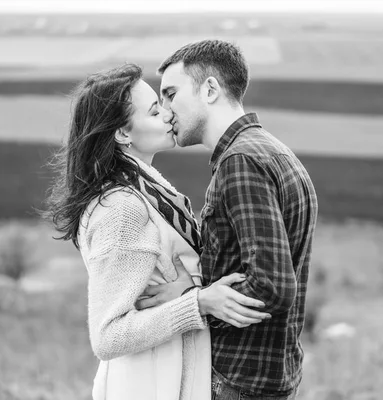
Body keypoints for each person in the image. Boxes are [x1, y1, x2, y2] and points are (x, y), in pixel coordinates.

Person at [43, 63, 271, 400]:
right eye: (154, 111)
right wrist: (199, 302)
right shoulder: (122, 209)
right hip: (149, 385)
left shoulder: (149, 189)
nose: (168, 114)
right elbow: (108, 337)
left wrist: (193, 287)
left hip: (167, 377)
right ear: (122, 133)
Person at [137, 40, 319, 399]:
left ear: (209, 90)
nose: (167, 110)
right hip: (266, 376)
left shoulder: (241, 163)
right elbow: (248, 263)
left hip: (237, 380)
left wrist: (192, 297)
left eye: (171, 94)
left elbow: (271, 286)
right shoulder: (272, 150)